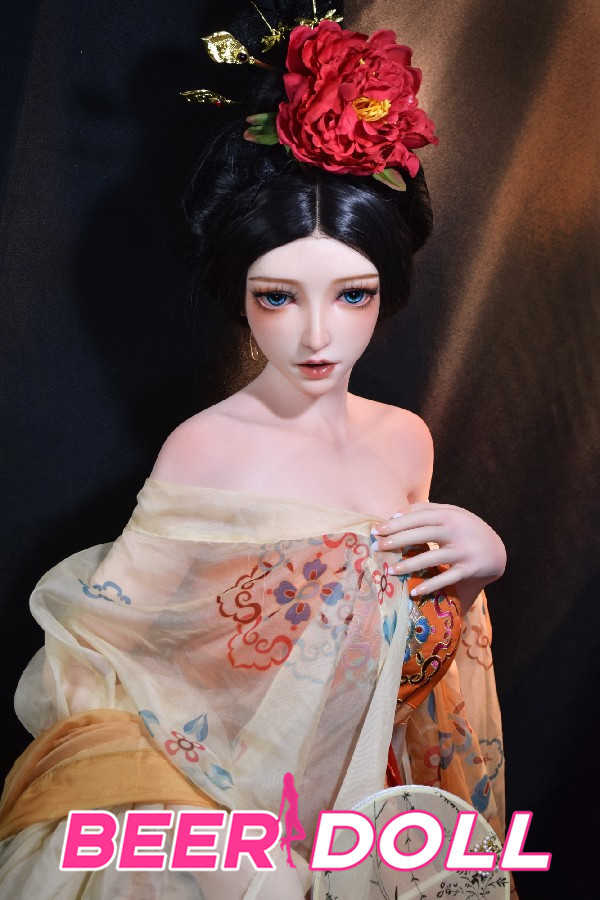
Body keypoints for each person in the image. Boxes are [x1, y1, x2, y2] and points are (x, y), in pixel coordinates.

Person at [0, 7, 511, 898]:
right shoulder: (208, 450)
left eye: (352, 296)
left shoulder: (405, 440)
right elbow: (105, 669)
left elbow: (396, 662)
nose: (317, 336)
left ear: (387, 290)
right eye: (278, 297)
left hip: (358, 809)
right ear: (239, 294)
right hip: (222, 822)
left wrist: (477, 571)